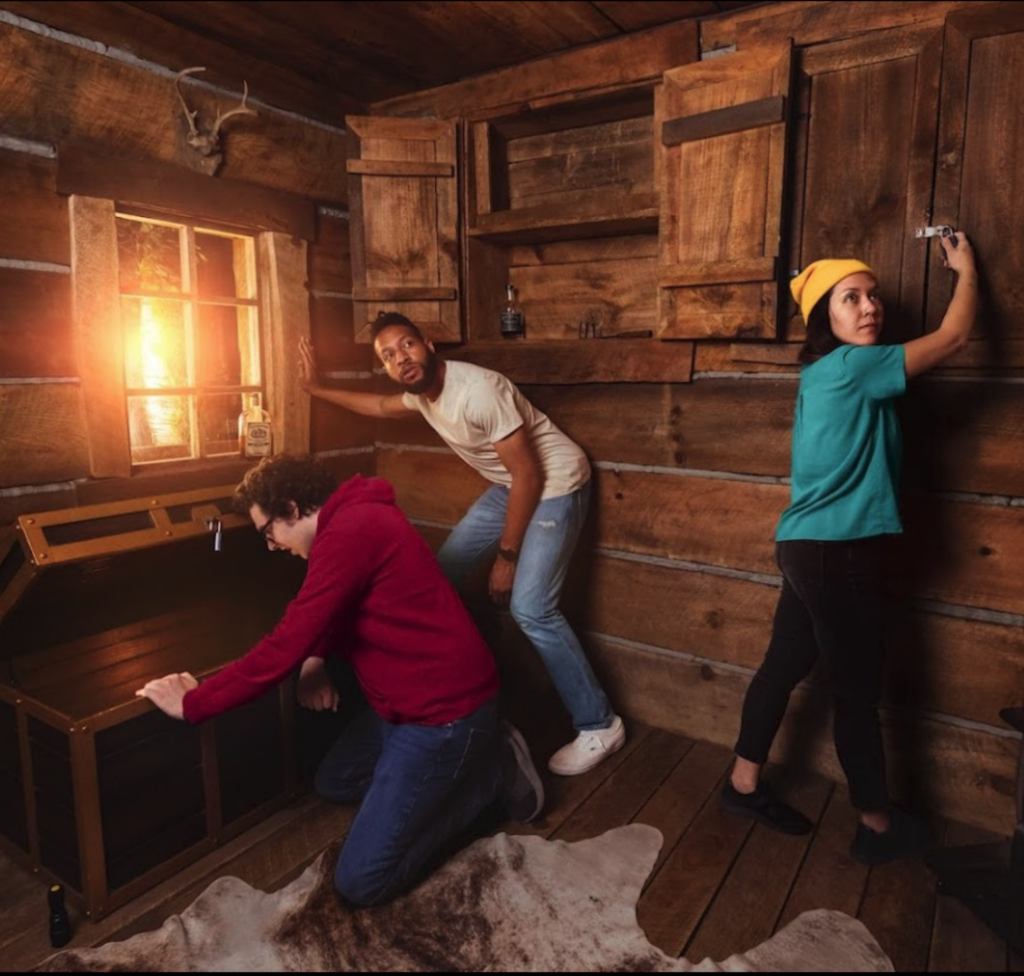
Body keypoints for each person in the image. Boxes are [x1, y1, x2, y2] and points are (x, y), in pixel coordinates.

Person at [136, 452, 544, 907]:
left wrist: (194, 703)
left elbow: (281, 646)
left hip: (445, 715)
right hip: (403, 708)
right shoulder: (351, 518)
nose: (271, 545)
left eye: (267, 532)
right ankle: (450, 768)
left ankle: (490, 774)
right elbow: (338, 609)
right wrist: (316, 656)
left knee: (361, 882)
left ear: (291, 508)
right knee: (335, 781)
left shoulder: (350, 532)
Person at [721, 230, 979, 865]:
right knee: (857, 694)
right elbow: (953, 339)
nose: (869, 308)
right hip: (837, 554)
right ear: (823, 318)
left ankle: (741, 785)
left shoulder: (824, 373)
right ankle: (877, 825)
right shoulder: (858, 365)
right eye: (850, 299)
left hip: (807, 547)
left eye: (872, 296)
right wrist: (966, 269)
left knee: (784, 667)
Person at [299, 313, 624, 776]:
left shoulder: (478, 391)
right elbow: (374, 406)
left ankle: (600, 724)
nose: (400, 358)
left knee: (531, 608)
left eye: (406, 345)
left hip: (555, 482)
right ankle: (455, 697)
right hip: (511, 485)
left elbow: (529, 474)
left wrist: (506, 559)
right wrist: (314, 389)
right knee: (435, 578)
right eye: (388, 356)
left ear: (428, 344)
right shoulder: (421, 396)